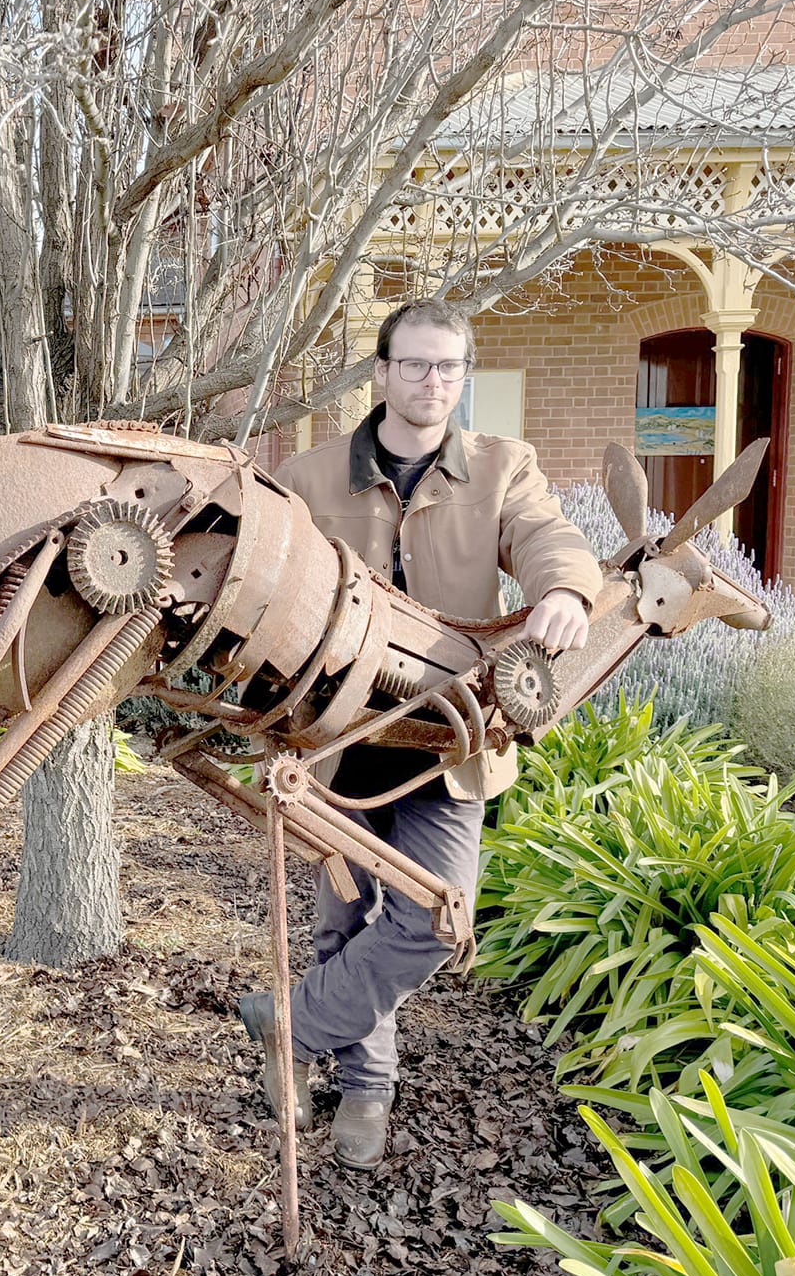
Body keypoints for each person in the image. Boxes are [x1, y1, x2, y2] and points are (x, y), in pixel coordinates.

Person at [240, 298, 603, 1170]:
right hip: (336, 737)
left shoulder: (503, 467)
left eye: (448, 366)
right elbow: (262, 570)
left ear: (463, 375)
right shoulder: (311, 476)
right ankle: (365, 1088)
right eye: (414, 364)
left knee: (436, 918)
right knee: (346, 917)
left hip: (449, 739)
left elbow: (547, 535)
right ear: (382, 372)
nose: (432, 381)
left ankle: (291, 1026)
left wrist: (565, 589)